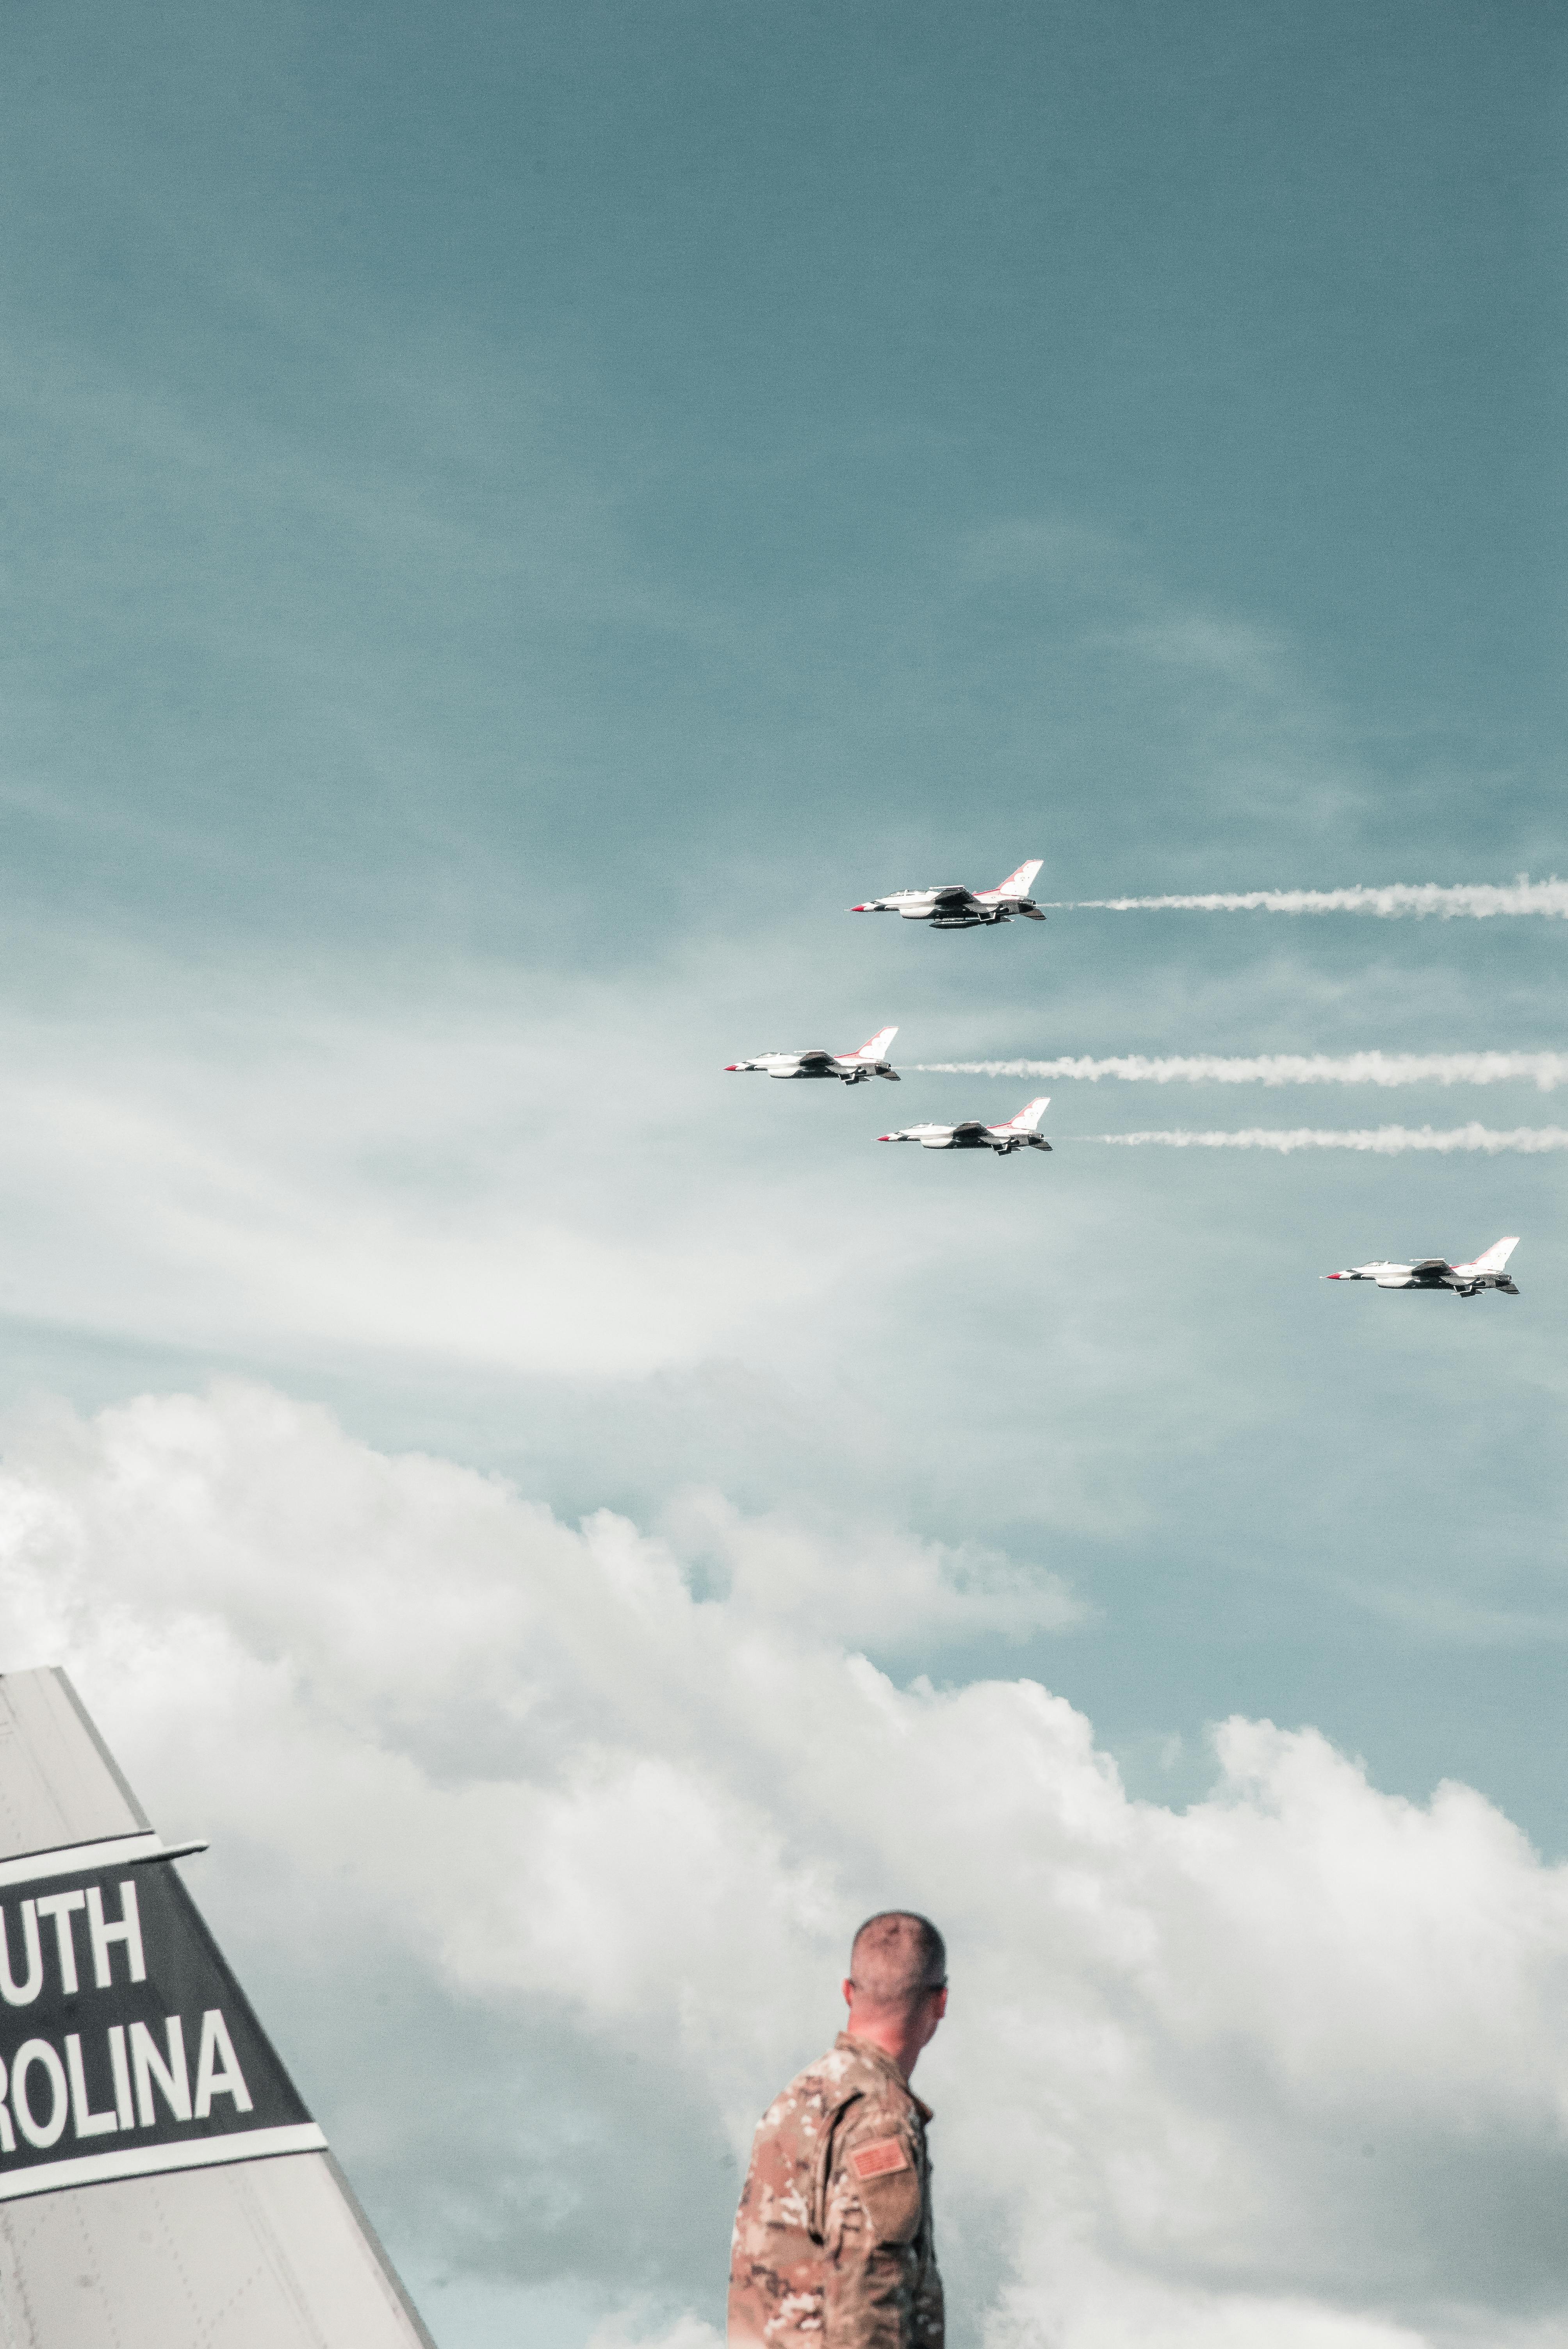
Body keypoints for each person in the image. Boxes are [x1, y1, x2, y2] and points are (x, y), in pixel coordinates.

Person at [728, 1911, 947, 2349]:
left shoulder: (799, 2098)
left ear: (847, 1992)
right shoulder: (878, 2115)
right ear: (940, 2002)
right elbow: (869, 2289)